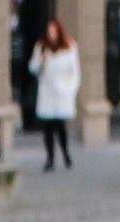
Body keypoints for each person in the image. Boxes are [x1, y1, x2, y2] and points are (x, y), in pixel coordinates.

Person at [30, 19, 81, 171]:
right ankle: (50, 158)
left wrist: (70, 90)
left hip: (62, 92)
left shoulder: (69, 47)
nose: (51, 35)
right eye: (49, 31)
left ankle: (66, 154)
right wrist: (41, 62)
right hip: (47, 91)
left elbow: (74, 73)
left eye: (54, 31)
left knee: (60, 125)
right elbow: (33, 68)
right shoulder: (40, 47)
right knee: (47, 127)